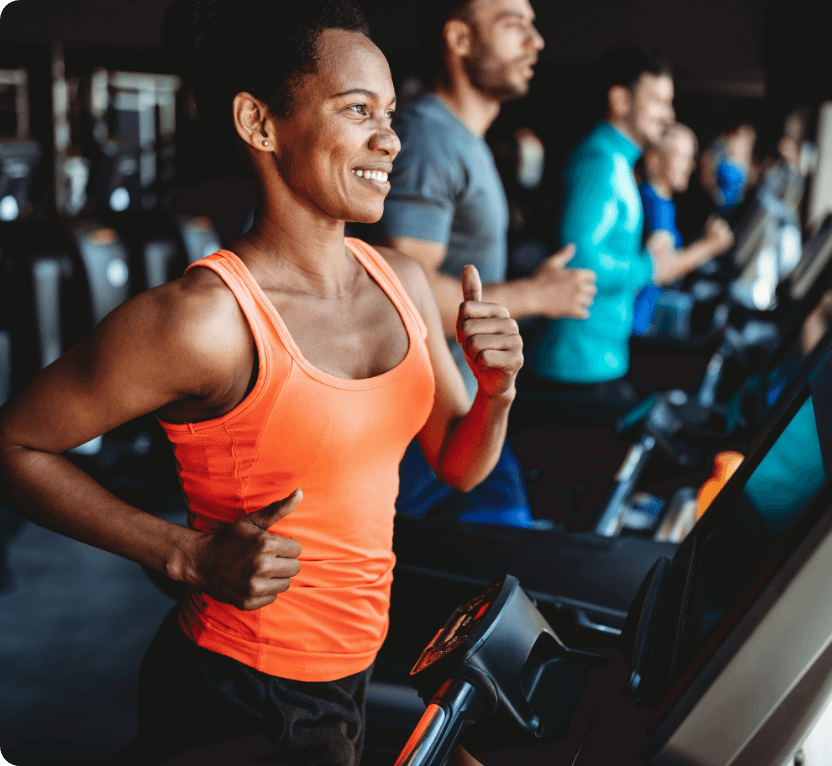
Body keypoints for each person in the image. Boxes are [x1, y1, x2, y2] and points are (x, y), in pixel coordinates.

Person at [0, 1, 514, 763]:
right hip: (239, 690)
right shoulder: (206, 321)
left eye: (391, 112)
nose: (390, 138)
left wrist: (497, 391)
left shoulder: (401, 281)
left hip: (351, 669)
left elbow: (461, 465)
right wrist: (181, 554)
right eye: (356, 110)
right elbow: (16, 443)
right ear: (260, 124)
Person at [371, 0, 596, 525]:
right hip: (425, 428)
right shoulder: (428, 138)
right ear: (460, 39)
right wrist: (537, 296)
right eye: (514, 25)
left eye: (534, 27)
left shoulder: (463, 139)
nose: (536, 41)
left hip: (468, 408)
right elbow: (409, 286)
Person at [527, 46, 704, 397]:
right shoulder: (601, 162)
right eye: (656, 101)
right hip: (578, 361)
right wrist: (649, 266)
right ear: (621, 100)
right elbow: (579, 261)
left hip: (596, 356)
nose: (668, 114)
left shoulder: (619, 162)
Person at [633, 122, 735, 334]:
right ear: (654, 159)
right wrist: (711, 245)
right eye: (682, 157)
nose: (690, 166)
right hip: (636, 328)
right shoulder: (653, 204)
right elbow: (662, 270)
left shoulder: (664, 203)